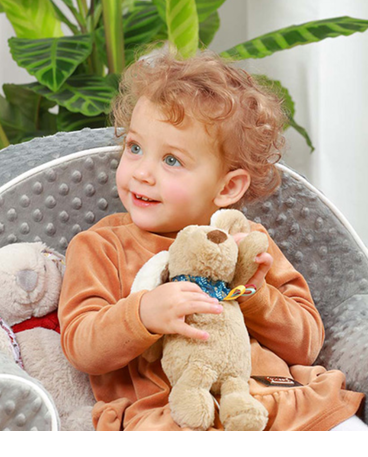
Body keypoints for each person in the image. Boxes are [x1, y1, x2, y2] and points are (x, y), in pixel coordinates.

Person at [58, 46, 365, 431]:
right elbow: (80, 346)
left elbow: (306, 345)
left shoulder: (247, 241)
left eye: (171, 160)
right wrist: (142, 314)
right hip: (175, 416)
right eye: (135, 148)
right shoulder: (101, 246)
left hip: (275, 401)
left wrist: (255, 296)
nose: (141, 173)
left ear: (227, 187)